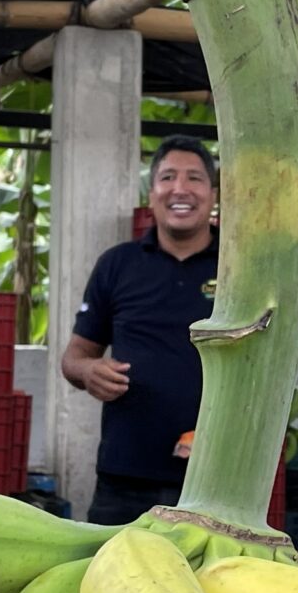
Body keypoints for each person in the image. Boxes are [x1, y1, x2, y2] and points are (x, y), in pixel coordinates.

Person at [60, 136, 221, 525]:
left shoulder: (240, 268)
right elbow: (74, 358)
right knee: (108, 566)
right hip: (123, 479)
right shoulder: (118, 265)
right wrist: (89, 371)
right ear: (152, 195)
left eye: (194, 178)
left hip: (217, 479)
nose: (180, 189)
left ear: (214, 195)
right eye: (167, 177)